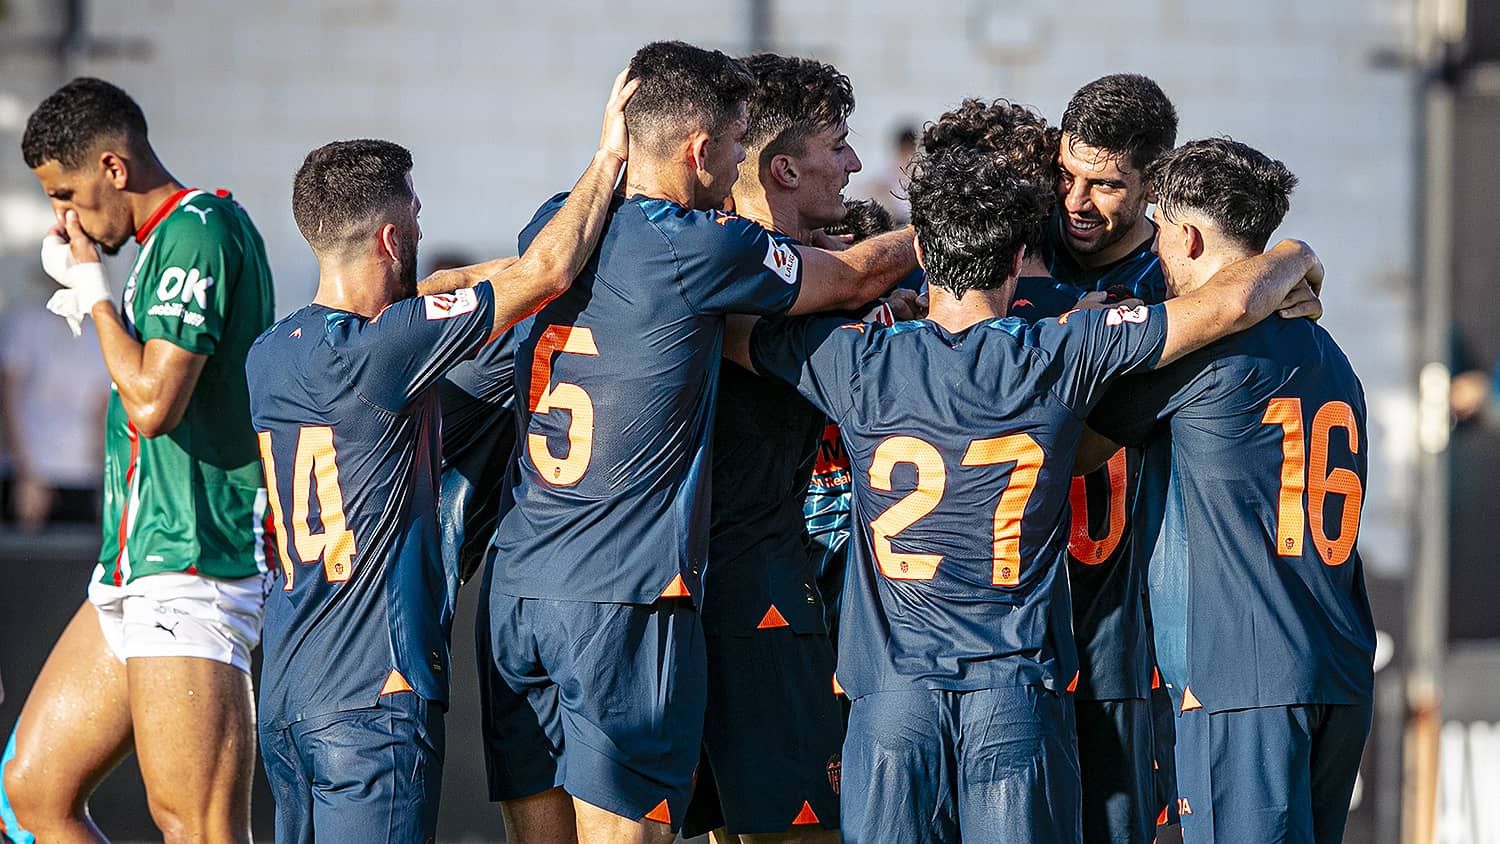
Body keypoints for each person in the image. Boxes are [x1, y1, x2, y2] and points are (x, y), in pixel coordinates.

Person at [721, 137, 1323, 842]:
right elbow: (1229, 305)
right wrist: (1295, 254)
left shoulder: (857, 358)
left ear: (925, 254)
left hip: (891, 701)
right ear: (1015, 261)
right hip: (1013, 696)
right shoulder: (1060, 348)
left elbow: (729, 328)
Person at [480, 40, 918, 844]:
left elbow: (538, 263)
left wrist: (606, 153)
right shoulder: (701, 247)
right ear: (700, 150)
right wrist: (947, 234)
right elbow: (853, 278)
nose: (745, 154)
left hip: (518, 585)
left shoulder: (560, 221)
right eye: (740, 138)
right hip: (624, 593)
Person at [246, 71, 637, 843]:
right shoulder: (386, 354)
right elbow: (545, 274)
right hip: (373, 698)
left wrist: (453, 284)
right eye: (416, 216)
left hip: (289, 699)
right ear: (393, 236)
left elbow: (441, 291)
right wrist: (608, 156)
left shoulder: (271, 353)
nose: (423, 229)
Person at [2, 77, 275, 844]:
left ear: (114, 169)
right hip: (131, 565)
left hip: (194, 564)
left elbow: (155, 405)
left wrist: (94, 293)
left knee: (198, 827)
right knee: (31, 795)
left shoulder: (201, 228)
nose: (64, 218)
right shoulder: (162, 247)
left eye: (67, 193)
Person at [1082, 138, 1375, 844]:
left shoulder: (1196, 357)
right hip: (1337, 666)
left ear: (1184, 235)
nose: (1153, 253)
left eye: (1158, 234)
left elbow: (1068, 451)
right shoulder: (1331, 354)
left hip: (1244, 679)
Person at [681, 52, 863, 844]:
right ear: (784, 169)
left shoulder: (683, 249)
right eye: (840, 143)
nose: (854, 163)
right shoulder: (739, 270)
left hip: (679, 593)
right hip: (751, 591)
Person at [0, 273, 109, 533]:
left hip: (80, 477)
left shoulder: (100, 333)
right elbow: (8, 400)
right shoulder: (26, 322)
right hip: (31, 476)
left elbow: (101, 411)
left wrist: (102, 482)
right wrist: (24, 472)